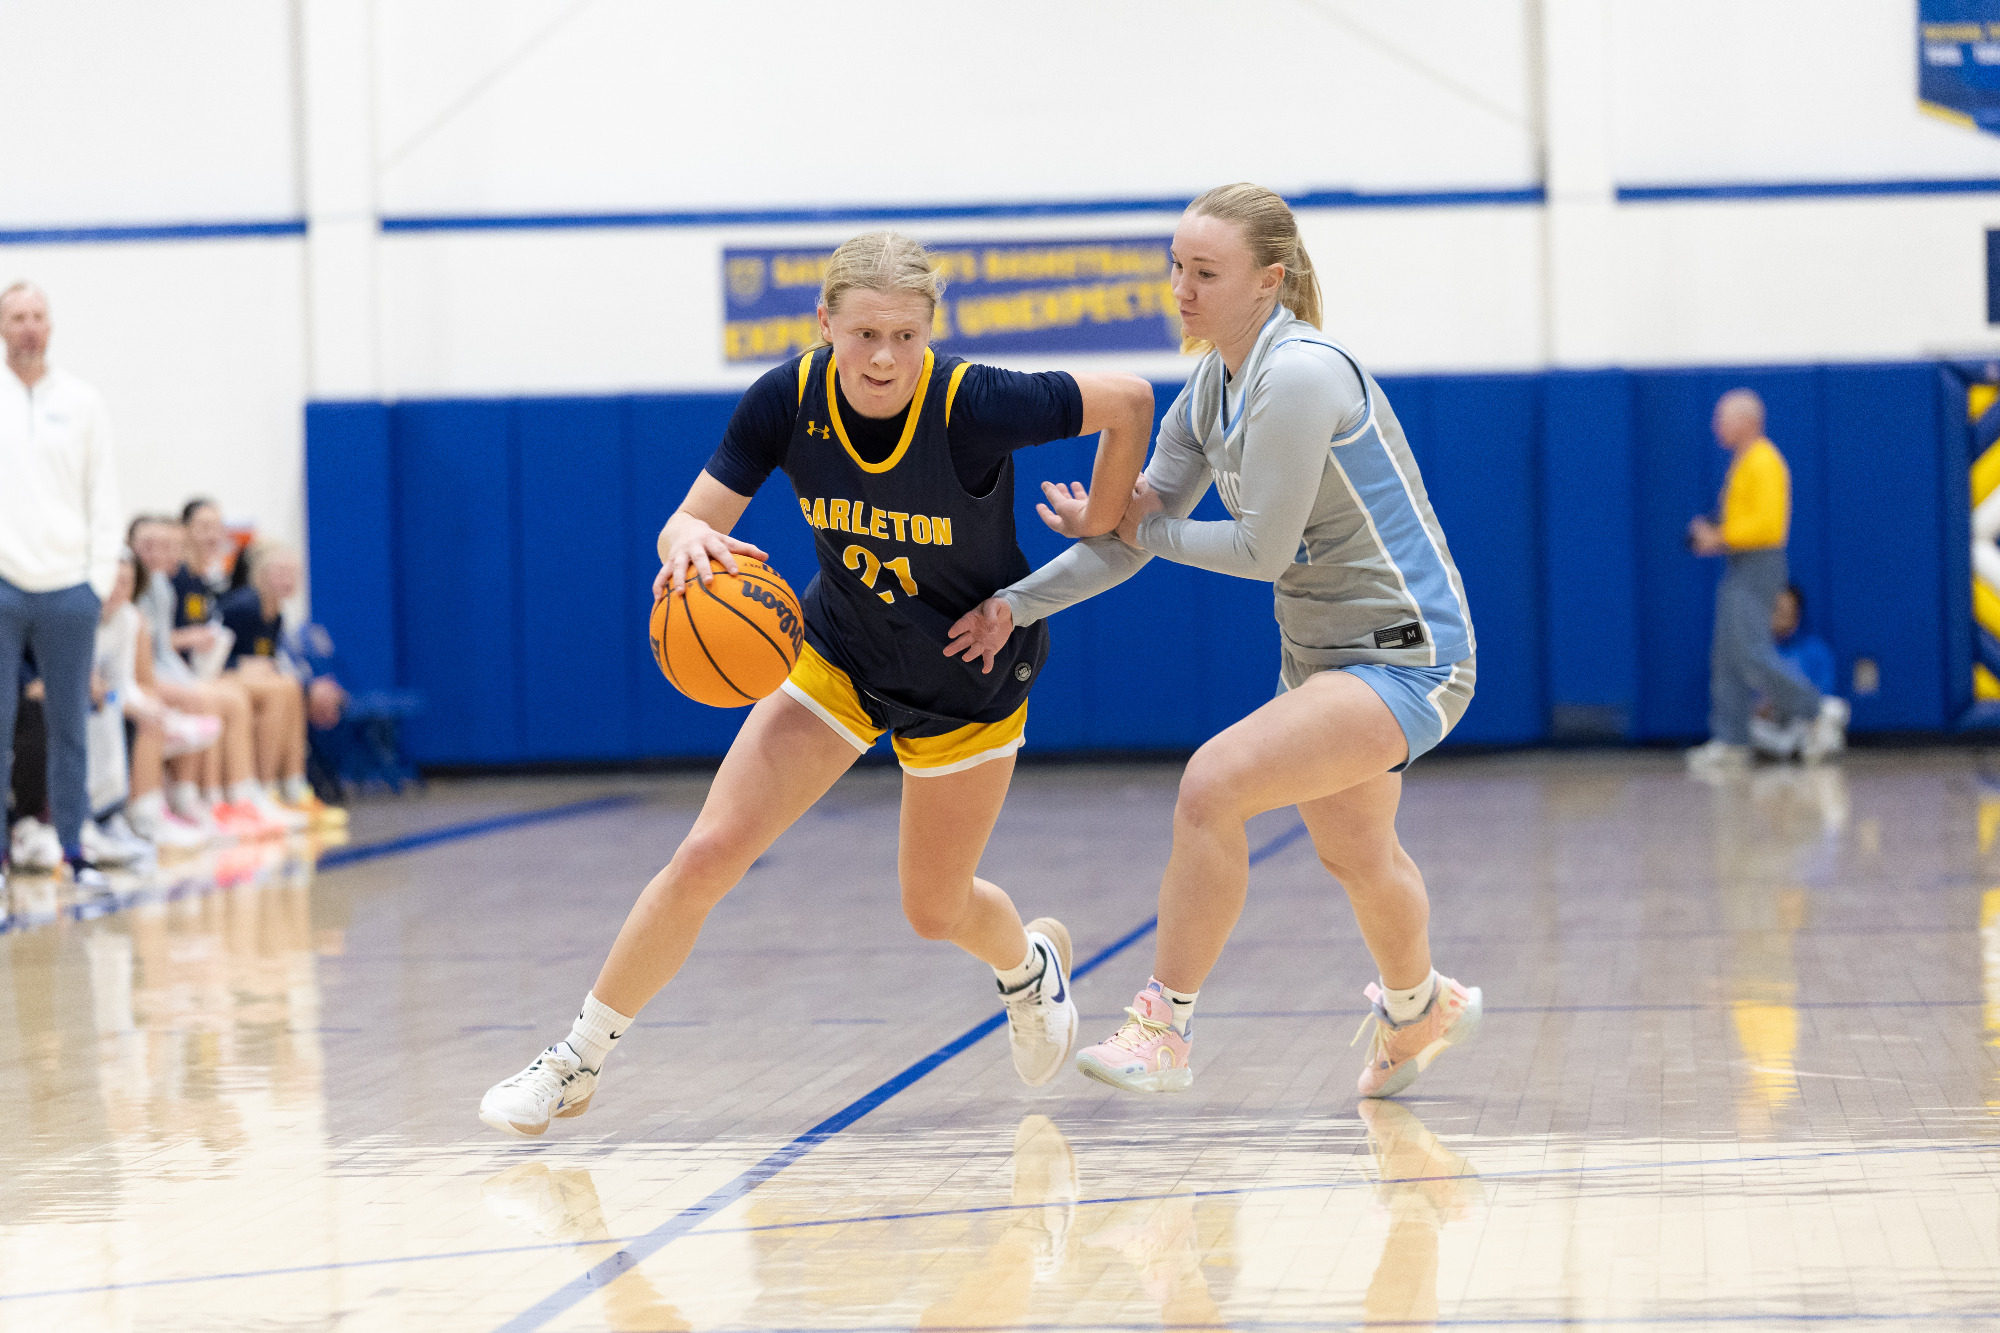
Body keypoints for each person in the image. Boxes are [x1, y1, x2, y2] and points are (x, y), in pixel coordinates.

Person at [477, 230, 1153, 1137]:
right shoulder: (786, 400)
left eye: (906, 336)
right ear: (824, 321)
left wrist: (1103, 522)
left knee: (933, 907)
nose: (884, 356)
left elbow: (1133, 399)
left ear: (930, 332)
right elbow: (685, 521)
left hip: (968, 673)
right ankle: (576, 1060)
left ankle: (1029, 967)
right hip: (839, 653)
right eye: (865, 332)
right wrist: (686, 544)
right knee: (708, 853)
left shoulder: (975, 403)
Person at [948, 183, 1481, 1100]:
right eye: (1176, 270)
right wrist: (1016, 605)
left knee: (1212, 785)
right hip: (1322, 657)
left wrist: (1131, 527)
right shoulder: (1212, 385)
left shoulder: (1302, 372)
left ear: (1268, 282)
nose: (1182, 291)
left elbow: (1256, 547)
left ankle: (1165, 1027)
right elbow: (1122, 537)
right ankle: (1419, 1004)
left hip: (1409, 654)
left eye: (1205, 272)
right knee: (1358, 852)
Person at [0, 281, 122, 879]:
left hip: (69, 586)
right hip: (3, 585)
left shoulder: (82, 401)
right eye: (17, 316)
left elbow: (104, 494)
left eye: (38, 316)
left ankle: (74, 848)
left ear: (51, 327)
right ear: (1, 325)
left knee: (69, 726)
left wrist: (96, 581)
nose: (28, 326)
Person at [1685, 390, 1848, 771]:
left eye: (1722, 419)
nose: (1716, 427)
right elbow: (1744, 518)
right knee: (1726, 656)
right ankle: (1731, 740)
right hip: (1740, 563)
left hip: (1759, 564)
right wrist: (1713, 534)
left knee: (1751, 650)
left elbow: (1767, 525)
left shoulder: (1764, 462)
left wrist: (1719, 537)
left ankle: (1816, 710)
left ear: (1746, 422)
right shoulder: (1742, 464)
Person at [130, 515, 294, 838]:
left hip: (170, 673)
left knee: (252, 695)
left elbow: (162, 649)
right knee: (210, 698)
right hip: (141, 680)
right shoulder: (146, 587)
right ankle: (191, 799)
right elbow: (153, 652)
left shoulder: (164, 586)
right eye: (148, 546)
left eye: (166, 546)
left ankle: (242, 794)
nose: (158, 553)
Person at [220, 542, 345, 826]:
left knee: (289, 687)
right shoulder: (245, 606)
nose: (287, 579)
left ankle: (292, 787)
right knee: (285, 688)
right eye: (279, 572)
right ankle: (263, 791)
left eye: (292, 572)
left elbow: (269, 662)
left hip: (253, 684)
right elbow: (221, 655)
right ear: (260, 574)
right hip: (221, 679)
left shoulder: (275, 613)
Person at [1749, 585, 1839, 761]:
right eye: (1776, 609)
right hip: (1771, 726)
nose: (1781, 616)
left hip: (1806, 724)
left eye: (1787, 611)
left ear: (1797, 614)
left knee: (1834, 710)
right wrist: (1761, 708)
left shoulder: (1816, 651)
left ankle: (1809, 751)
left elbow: (1824, 695)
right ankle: (1780, 751)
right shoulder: (1754, 654)